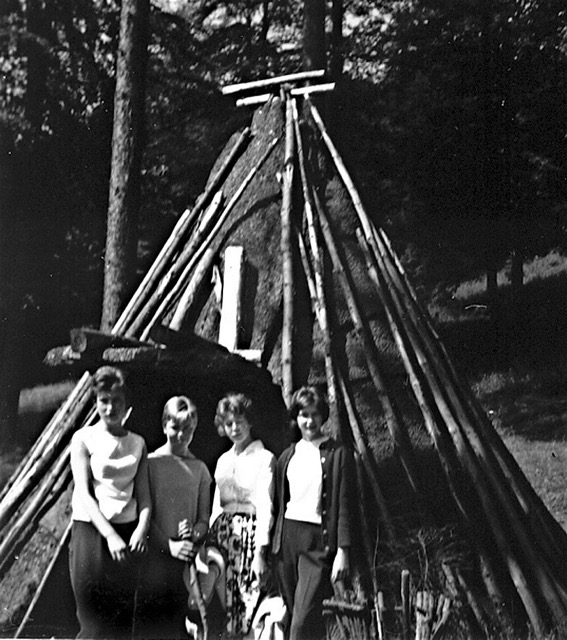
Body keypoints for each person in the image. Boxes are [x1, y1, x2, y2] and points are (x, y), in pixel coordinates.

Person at [69, 365, 151, 639]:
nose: (110, 407)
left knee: (122, 621)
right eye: (104, 400)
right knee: (93, 624)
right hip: (92, 534)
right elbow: (84, 493)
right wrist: (110, 535)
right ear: (96, 402)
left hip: (128, 537)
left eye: (117, 400)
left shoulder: (137, 443)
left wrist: (140, 528)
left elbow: (145, 496)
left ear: (126, 403)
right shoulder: (83, 439)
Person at [272, 386, 353, 640]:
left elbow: (344, 504)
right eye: (303, 414)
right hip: (287, 542)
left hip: (317, 543)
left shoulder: (338, 453)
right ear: (296, 417)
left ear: (323, 416)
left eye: (315, 414)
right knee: (300, 619)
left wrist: (343, 550)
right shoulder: (287, 456)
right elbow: (278, 503)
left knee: (300, 623)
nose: (309, 420)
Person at [139, 395, 213, 639]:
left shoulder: (200, 469)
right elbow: (143, 513)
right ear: (163, 426)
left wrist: (195, 532)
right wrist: (168, 544)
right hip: (154, 556)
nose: (181, 435)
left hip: (186, 560)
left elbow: (204, 518)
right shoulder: (149, 464)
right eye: (175, 427)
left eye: (188, 429)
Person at [209, 392, 276, 637]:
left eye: (240, 421)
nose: (235, 428)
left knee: (248, 607)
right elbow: (218, 504)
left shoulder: (264, 458)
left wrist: (260, 553)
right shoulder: (223, 460)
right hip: (223, 539)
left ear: (250, 421)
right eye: (229, 423)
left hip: (248, 539)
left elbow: (265, 505)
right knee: (224, 606)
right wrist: (210, 542)